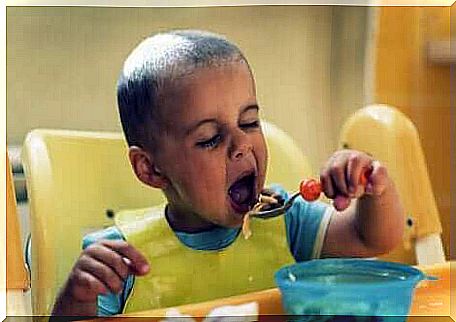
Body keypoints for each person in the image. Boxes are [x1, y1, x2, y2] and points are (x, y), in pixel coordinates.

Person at [51, 30, 405, 317]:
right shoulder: (119, 258)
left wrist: (373, 186)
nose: (241, 145)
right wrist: (76, 301)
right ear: (151, 168)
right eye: (210, 139)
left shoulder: (286, 221)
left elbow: (370, 237)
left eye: (249, 122)